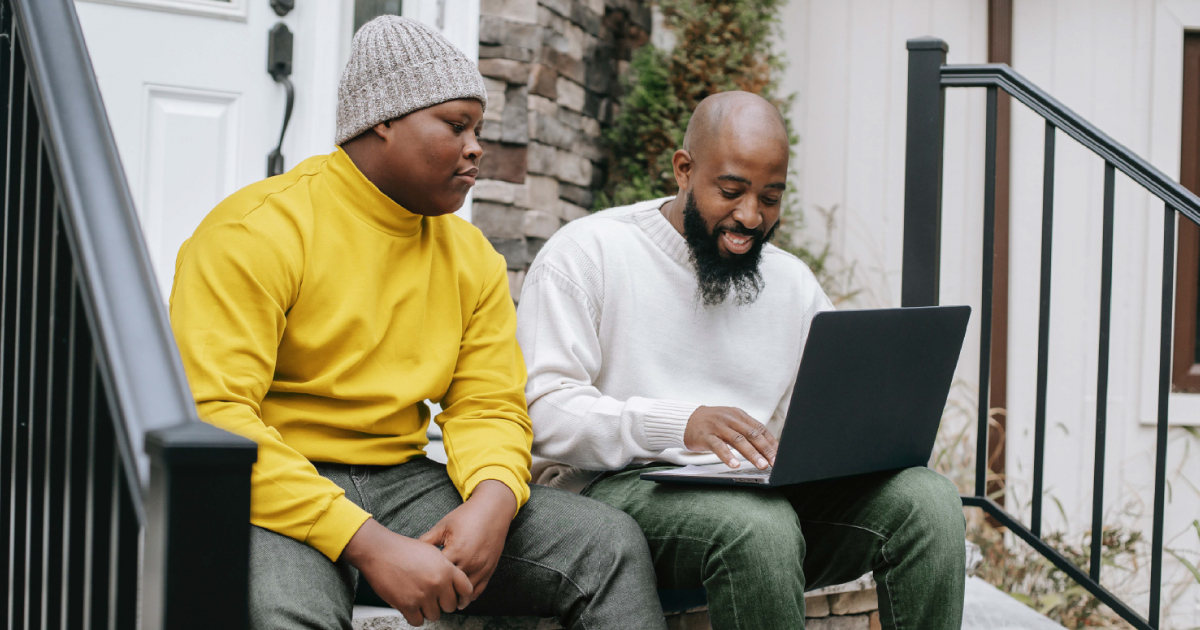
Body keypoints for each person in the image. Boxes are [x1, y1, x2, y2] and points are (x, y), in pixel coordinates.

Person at [170, 16, 665, 630]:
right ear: (383, 118)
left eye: (478, 130)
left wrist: (493, 499)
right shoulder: (256, 232)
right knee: (284, 614)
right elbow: (216, 417)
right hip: (277, 484)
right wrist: (369, 544)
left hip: (400, 479)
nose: (476, 147)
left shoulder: (470, 255)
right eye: (456, 126)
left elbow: (489, 404)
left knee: (607, 546)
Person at [516, 91, 966, 630]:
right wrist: (680, 423)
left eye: (770, 198)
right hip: (612, 492)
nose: (750, 217)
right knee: (755, 524)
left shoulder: (791, 282)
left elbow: (821, 418)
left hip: (753, 498)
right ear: (684, 170)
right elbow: (542, 412)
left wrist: (867, 437)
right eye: (730, 191)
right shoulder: (588, 254)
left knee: (929, 501)